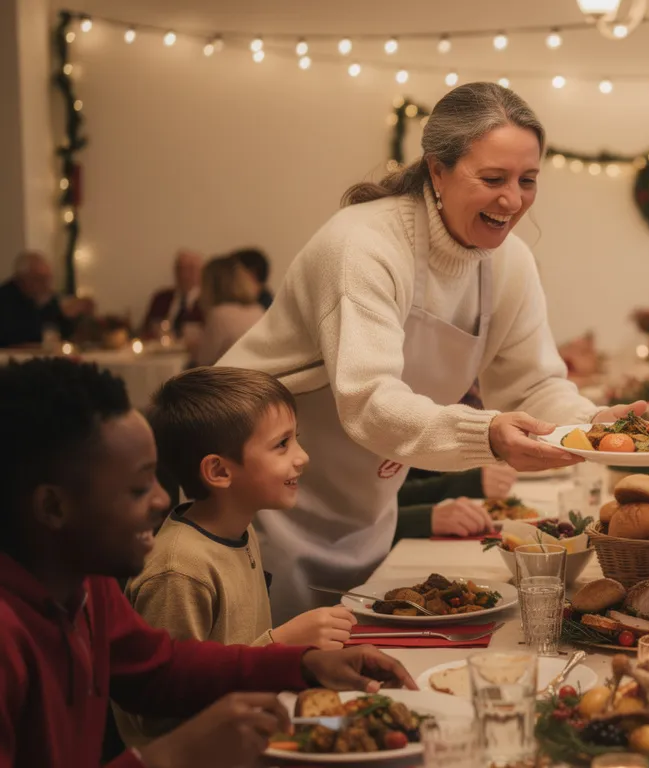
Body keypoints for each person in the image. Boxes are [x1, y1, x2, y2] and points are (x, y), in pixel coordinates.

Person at [218, 82, 640, 622]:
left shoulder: (509, 263)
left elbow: (533, 385)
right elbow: (369, 400)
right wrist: (485, 435)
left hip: (366, 506)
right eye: (493, 179)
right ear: (437, 170)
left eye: (527, 180)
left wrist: (594, 425)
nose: (513, 200)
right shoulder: (362, 246)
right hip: (260, 498)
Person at [0, 357, 417, 768]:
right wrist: (172, 756)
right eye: (136, 489)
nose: (163, 501)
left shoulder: (87, 582)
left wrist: (304, 663)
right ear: (54, 506)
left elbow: (159, 669)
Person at [114, 367, 362, 748]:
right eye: (282, 445)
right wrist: (282, 642)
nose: (302, 458)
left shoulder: (240, 532)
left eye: (297, 440)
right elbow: (161, 714)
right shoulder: (180, 569)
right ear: (218, 470)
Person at [0, 251, 94, 348]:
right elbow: (14, 337)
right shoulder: (4, 299)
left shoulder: (47, 298)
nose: (46, 285)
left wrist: (71, 316)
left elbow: (63, 335)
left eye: (48, 279)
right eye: (39, 279)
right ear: (22, 279)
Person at [190, 255, 265, 367]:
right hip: (259, 377)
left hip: (232, 380)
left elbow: (203, 361)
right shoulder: (258, 309)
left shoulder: (219, 314)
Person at [141, 249, 203, 338]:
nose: (185, 274)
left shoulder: (208, 301)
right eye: (180, 268)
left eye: (191, 269)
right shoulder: (160, 299)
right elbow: (145, 331)